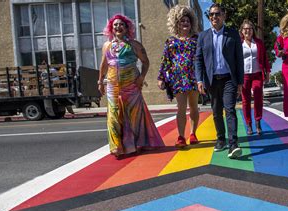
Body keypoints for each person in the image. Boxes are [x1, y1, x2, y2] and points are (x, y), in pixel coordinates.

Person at [98, 14, 163, 158]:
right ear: (111, 28)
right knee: (113, 116)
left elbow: (145, 62)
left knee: (134, 116)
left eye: (121, 24)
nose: (118, 27)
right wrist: (100, 81)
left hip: (131, 86)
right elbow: (103, 65)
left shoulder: (134, 45)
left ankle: (136, 144)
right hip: (112, 86)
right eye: (115, 25)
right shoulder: (107, 46)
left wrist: (141, 78)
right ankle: (117, 148)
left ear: (127, 28)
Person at [195, 3, 244, 159]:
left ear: (223, 15)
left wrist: (240, 82)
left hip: (229, 79)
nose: (214, 17)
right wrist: (199, 80)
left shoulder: (233, 34)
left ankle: (233, 143)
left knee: (230, 109)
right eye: (211, 15)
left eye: (217, 14)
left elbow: (239, 59)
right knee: (216, 112)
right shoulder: (203, 36)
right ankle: (221, 139)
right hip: (212, 80)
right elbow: (198, 59)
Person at [158, 5, 200, 148]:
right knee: (181, 107)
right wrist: (161, 77)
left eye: (187, 20)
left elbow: (202, 58)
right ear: (177, 23)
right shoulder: (170, 41)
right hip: (178, 79)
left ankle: (193, 133)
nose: (185, 23)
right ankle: (181, 136)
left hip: (193, 77)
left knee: (194, 106)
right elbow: (166, 60)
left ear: (192, 23)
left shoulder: (196, 39)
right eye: (182, 21)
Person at [239, 19, 271, 135]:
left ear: (252, 31)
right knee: (245, 101)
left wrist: (267, 72)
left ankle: (258, 122)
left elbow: (265, 59)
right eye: (245, 29)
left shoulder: (259, 43)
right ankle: (248, 124)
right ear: (242, 31)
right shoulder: (239, 44)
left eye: (250, 28)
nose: (247, 31)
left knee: (258, 95)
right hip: (244, 75)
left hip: (257, 74)